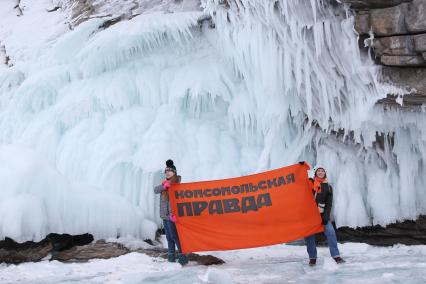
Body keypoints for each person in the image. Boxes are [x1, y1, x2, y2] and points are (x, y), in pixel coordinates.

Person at [304, 165, 345, 266]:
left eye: (322, 171)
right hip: (309, 215)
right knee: (309, 237)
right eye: (319, 171)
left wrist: (326, 216)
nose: (321, 172)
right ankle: (312, 258)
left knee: (331, 233)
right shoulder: (310, 183)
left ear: (325, 173)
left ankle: (336, 256)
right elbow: (300, 183)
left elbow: (329, 203)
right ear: (316, 173)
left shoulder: (328, 187)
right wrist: (301, 168)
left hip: (322, 215)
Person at [154, 159, 188, 265]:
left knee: (175, 236)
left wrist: (174, 214)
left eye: (170, 170)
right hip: (165, 215)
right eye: (166, 170)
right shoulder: (165, 184)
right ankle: (171, 255)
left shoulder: (176, 184)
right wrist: (164, 186)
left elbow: (175, 201)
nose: (167, 172)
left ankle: (183, 255)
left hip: (172, 216)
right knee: (168, 237)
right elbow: (155, 190)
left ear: (174, 172)